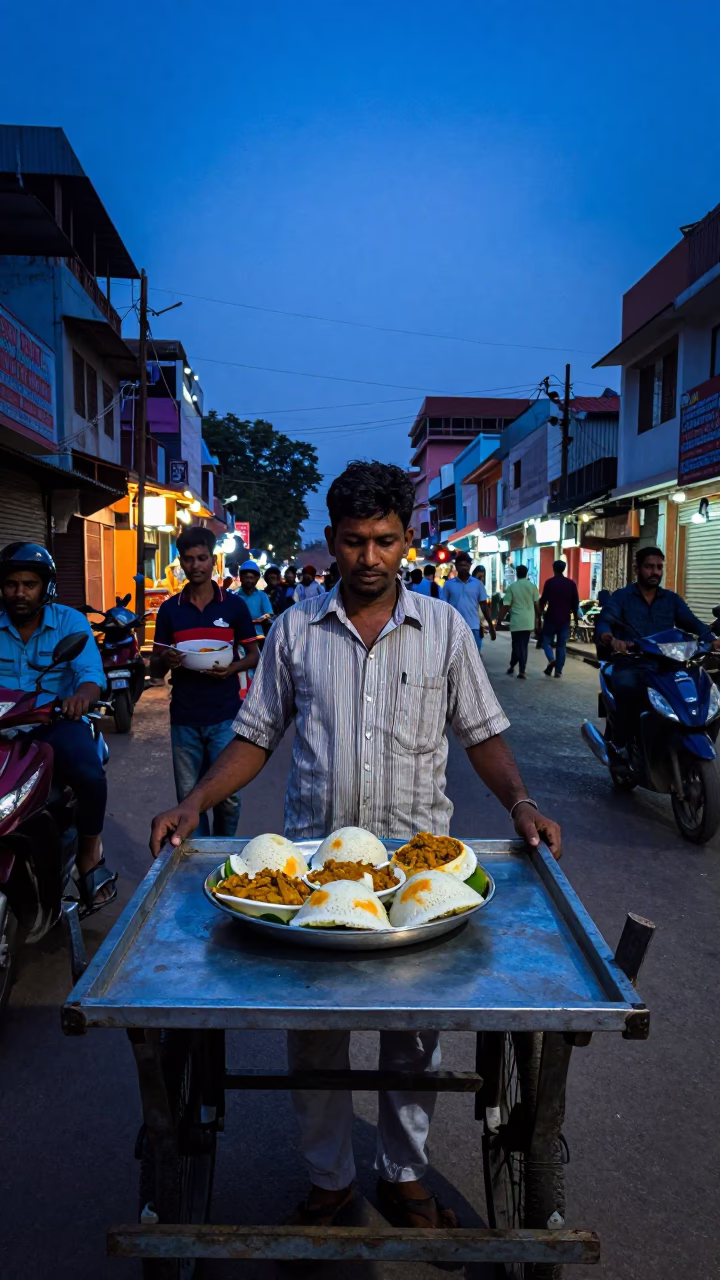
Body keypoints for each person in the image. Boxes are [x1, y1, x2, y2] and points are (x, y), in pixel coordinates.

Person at [150, 459, 561, 1230]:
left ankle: (404, 1175)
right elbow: (255, 736)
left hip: (416, 877)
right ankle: (330, 1180)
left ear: (407, 539)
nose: (368, 559)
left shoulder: (443, 628)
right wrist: (193, 801)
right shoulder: (294, 628)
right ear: (329, 542)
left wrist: (523, 803)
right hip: (314, 874)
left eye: (384, 541)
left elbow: (482, 735)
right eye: (352, 542)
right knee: (315, 1040)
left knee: (413, 1040)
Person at [0, 542, 117, 913]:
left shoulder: (69, 622)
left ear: (45, 587)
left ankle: (88, 856)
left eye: (29, 584)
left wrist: (81, 697)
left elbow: (89, 674)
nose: (20, 592)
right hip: (3, 727)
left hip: (53, 723)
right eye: (12, 584)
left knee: (89, 776)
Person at [152, 528, 259, 838]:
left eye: (202, 558)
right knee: (188, 802)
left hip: (226, 717)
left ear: (213, 560)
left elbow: (253, 655)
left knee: (228, 798)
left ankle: (221, 853)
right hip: (184, 719)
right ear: (181, 563)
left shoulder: (234, 606)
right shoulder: (170, 610)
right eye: (188, 559)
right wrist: (167, 661)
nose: (195, 565)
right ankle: (194, 864)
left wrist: (231, 669)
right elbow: (156, 668)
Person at [598, 546, 720, 750]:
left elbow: (692, 622)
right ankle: (620, 746)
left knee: (703, 693)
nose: (655, 572)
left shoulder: (671, 599)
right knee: (628, 690)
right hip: (631, 663)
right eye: (649, 567)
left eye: (659, 567)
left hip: (666, 664)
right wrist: (610, 638)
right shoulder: (622, 597)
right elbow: (605, 621)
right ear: (637, 568)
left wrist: (712, 639)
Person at [442, 551, 496, 649]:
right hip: (454, 628)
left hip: (473, 627)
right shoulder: (448, 585)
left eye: (465, 565)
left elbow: (484, 606)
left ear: (470, 566)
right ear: (456, 566)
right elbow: (443, 608)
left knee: (475, 659)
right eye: (461, 565)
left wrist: (491, 626)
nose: (463, 568)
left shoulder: (478, 584)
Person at [538, 560, 580, 678]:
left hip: (551, 617)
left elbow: (543, 600)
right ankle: (558, 671)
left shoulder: (549, 583)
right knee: (562, 645)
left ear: (553, 569)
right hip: (565, 619)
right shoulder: (571, 584)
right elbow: (575, 604)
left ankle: (551, 659)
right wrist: (576, 620)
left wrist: (540, 614)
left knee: (546, 641)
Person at [498, 565, 540, 679]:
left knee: (516, 646)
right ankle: (521, 670)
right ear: (527, 574)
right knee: (523, 646)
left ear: (516, 573)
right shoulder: (533, 587)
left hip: (516, 621)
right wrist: (539, 620)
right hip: (528, 622)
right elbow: (537, 605)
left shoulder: (512, 587)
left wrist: (499, 619)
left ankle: (514, 666)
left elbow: (506, 605)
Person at [236, 560, 274, 638]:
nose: (249, 580)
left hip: (258, 635)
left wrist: (257, 620)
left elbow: (268, 614)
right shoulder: (235, 596)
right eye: (246, 578)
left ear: (256, 579)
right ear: (241, 578)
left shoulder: (262, 596)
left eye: (251, 578)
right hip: (239, 635)